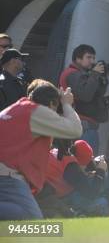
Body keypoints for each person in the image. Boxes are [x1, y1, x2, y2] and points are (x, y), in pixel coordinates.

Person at [0, 81, 81, 220]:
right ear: (51, 104)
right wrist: (67, 104)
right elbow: (75, 129)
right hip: (8, 177)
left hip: (6, 175)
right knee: (31, 220)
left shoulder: (13, 109)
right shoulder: (36, 110)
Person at [59, 44, 109, 155]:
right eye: (89, 57)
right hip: (82, 127)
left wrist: (102, 77)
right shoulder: (72, 74)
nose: (92, 61)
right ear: (78, 58)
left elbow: (97, 93)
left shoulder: (84, 74)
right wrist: (95, 75)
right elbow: (85, 95)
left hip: (84, 126)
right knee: (87, 164)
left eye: (93, 58)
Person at [37, 140, 107, 217]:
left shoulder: (59, 152)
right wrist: (101, 171)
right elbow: (91, 194)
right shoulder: (72, 167)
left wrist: (84, 175)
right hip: (53, 197)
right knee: (100, 201)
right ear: (81, 162)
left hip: (41, 189)